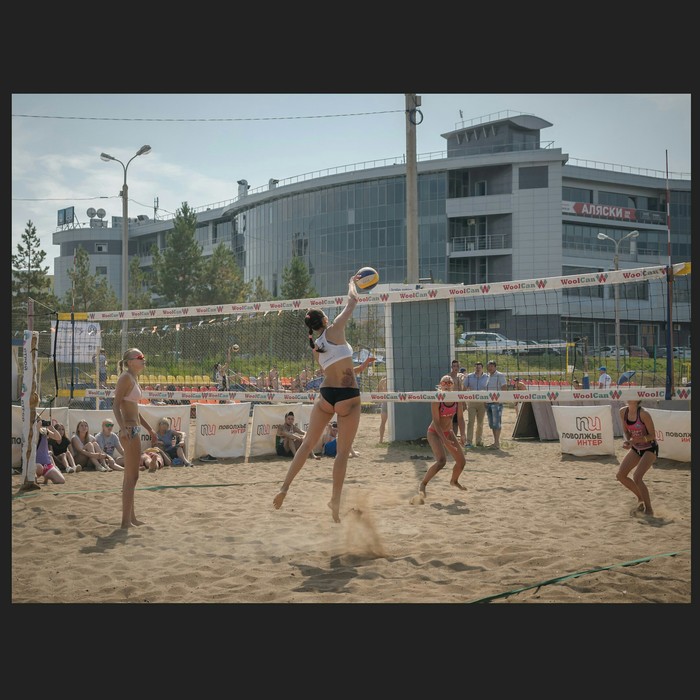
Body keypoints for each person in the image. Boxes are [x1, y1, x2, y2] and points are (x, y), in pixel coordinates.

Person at [273, 274, 363, 523]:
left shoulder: (316, 348)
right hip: (347, 397)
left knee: (306, 445)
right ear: (324, 320)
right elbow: (353, 301)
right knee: (342, 454)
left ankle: (284, 487)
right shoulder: (335, 329)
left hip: (326, 395)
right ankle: (335, 500)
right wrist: (352, 283)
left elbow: (333, 368)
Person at [112, 347, 159, 529]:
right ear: (130, 361)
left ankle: (131, 518)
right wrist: (123, 429)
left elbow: (136, 411)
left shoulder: (133, 377)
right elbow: (116, 405)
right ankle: (126, 521)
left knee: (131, 476)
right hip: (129, 429)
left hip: (134, 428)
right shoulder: (125, 377)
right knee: (132, 477)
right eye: (140, 357)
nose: (143, 359)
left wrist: (150, 429)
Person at [419, 375, 467, 497]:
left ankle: (454, 481)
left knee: (461, 462)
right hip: (434, 432)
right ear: (440, 385)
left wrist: (463, 434)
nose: (447, 385)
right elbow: (436, 422)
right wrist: (444, 440)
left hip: (448, 432)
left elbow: (460, 418)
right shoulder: (437, 398)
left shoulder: (457, 398)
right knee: (441, 461)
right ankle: (423, 484)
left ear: (453, 385)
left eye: (449, 383)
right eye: (444, 383)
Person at [617, 399, 657, 516]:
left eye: (632, 394)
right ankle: (641, 499)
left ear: (638, 399)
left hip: (650, 448)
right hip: (636, 447)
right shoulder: (623, 411)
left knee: (637, 477)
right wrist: (627, 441)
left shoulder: (644, 414)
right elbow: (626, 432)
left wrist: (634, 441)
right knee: (620, 476)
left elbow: (652, 435)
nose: (629, 397)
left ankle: (649, 510)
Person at [463, 361, 488, 447]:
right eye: (476, 367)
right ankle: (469, 442)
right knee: (471, 422)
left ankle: (478, 441)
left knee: (480, 423)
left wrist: (487, 401)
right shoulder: (469, 376)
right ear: (474, 368)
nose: (478, 369)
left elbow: (488, 389)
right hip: (472, 402)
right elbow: (464, 388)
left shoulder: (487, 377)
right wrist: (463, 400)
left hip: (482, 402)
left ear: (482, 368)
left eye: (479, 368)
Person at [34, 418, 66, 485]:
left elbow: (58, 438)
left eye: (40, 420)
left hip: (47, 464)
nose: (40, 422)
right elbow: (35, 441)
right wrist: (37, 428)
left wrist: (52, 429)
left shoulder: (44, 431)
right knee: (39, 467)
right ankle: (35, 478)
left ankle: (46, 477)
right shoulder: (30, 432)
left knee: (61, 480)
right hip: (35, 464)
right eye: (38, 421)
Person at [484, 359, 507, 449]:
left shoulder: (500, 375)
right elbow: (486, 390)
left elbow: (504, 387)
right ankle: (495, 442)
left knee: (497, 423)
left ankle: (497, 443)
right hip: (489, 402)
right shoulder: (488, 376)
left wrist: (500, 399)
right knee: (492, 423)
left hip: (496, 402)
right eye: (488, 366)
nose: (490, 368)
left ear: (495, 367)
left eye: (491, 366)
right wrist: (485, 401)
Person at [448, 359, 466, 445]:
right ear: (451, 367)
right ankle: (451, 439)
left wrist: (464, 402)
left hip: (459, 402)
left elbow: (463, 390)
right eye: (454, 366)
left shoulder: (461, 376)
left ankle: (455, 439)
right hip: (450, 402)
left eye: (457, 366)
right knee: (450, 421)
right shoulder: (448, 377)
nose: (456, 368)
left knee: (457, 421)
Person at [377, 375, 388, 443]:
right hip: (386, 402)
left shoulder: (396, 380)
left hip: (395, 402)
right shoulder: (383, 381)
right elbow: (377, 391)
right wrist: (381, 384)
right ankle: (381, 440)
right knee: (383, 421)